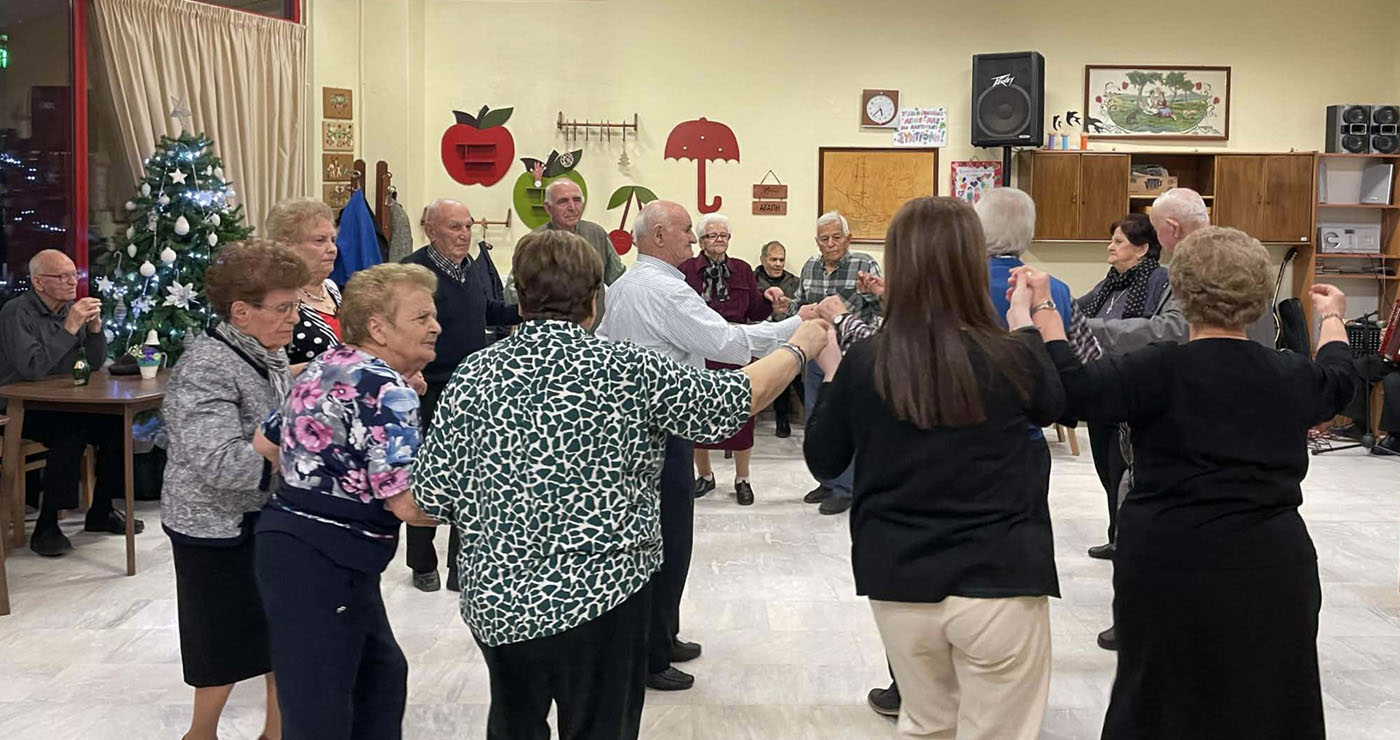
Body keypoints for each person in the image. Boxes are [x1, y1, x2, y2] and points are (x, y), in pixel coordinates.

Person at [412, 228, 828, 739]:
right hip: (604, 600)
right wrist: (799, 346)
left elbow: (430, 499)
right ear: (594, 301)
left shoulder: (472, 377)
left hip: (501, 604)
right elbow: (731, 403)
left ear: (519, 298)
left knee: (513, 723)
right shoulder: (626, 368)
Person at [1009, 228, 1358, 740]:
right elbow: (1340, 375)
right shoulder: (1290, 374)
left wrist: (1042, 311)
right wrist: (1331, 314)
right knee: (1274, 697)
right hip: (1272, 560)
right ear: (1259, 297)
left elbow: (1074, 392)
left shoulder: (1156, 368)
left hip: (1166, 553)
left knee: (1158, 692)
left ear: (1184, 292)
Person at [804, 197, 1065, 740]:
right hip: (1001, 577)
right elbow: (1055, 405)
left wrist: (831, 373)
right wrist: (1028, 323)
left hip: (900, 577)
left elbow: (824, 460)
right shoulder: (1011, 354)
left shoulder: (868, 359)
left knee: (926, 724)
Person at [596, 199, 805, 692]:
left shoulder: (626, 285)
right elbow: (729, 343)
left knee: (656, 541)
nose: (693, 241)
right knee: (669, 542)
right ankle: (652, 654)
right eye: (688, 231)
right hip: (664, 431)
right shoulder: (666, 292)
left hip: (633, 429)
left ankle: (661, 635)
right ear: (660, 235)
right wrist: (799, 327)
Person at [252, 263, 444, 740]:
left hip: (295, 545)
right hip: (323, 558)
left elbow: (266, 441)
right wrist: (492, 510)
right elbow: (407, 503)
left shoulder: (328, 364)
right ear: (378, 326)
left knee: (380, 677)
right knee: (323, 711)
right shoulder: (387, 388)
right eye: (421, 318)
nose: (436, 326)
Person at [161, 239, 306, 740]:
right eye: (284, 307)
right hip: (215, 529)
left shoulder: (265, 350)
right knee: (219, 650)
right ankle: (200, 735)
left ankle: (277, 732)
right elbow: (221, 463)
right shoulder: (206, 366)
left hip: (263, 519)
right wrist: (294, 456)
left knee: (279, 636)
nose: (294, 317)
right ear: (241, 312)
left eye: (297, 304)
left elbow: (272, 410)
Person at [400, 198, 520, 592]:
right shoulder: (413, 272)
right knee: (429, 476)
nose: (464, 234)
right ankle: (422, 562)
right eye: (454, 227)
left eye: (467, 226)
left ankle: (461, 565)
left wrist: (524, 311)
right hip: (429, 388)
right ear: (430, 229)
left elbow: (484, 310)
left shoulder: (473, 268)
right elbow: (402, 328)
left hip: (471, 388)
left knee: (469, 478)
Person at [0, 249, 142, 556]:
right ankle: (47, 525)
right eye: (62, 276)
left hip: (60, 401)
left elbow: (94, 362)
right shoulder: (16, 312)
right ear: (39, 282)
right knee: (70, 433)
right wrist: (69, 328)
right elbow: (32, 369)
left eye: (73, 275)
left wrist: (94, 328)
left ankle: (101, 510)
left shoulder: (67, 310)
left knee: (117, 422)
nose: (71, 283)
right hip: (18, 404)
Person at [766, 211, 882, 515]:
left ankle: (847, 488)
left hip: (851, 355)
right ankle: (828, 480)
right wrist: (784, 307)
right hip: (815, 355)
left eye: (836, 237)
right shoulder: (809, 266)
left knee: (848, 423)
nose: (830, 244)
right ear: (816, 240)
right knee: (819, 420)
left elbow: (881, 305)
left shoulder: (864, 264)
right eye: (823, 238)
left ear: (848, 238)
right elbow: (800, 305)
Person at [1077, 213, 1168, 560]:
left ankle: (1124, 537)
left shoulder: (1159, 280)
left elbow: (1148, 329)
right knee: (1105, 465)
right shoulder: (1111, 282)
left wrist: (1093, 328)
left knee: (1123, 467)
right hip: (1104, 383)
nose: (1110, 247)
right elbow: (1078, 310)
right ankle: (1116, 532)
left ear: (1143, 248)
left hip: (1133, 385)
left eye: (1118, 242)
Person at [680, 214, 772, 505]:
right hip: (700, 352)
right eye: (711, 236)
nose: (718, 240)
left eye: (723, 235)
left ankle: (742, 479)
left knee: (742, 416)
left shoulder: (743, 270)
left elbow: (755, 311)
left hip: (735, 352)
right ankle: (705, 476)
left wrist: (770, 300)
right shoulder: (685, 271)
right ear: (701, 241)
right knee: (698, 415)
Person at [535, 178, 626, 326]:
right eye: (563, 201)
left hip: (595, 334)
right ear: (548, 208)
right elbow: (514, 291)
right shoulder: (535, 242)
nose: (572, 207)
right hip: (553, 336)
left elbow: (619, 280)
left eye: (577, 200)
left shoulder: (597, 234)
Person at [266, 197, 343, 364]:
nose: (332, 249)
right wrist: (329, 368)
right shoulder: (272, 299)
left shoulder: (332, 289)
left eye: (333, 240)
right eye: (319, 240)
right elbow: (264, 375)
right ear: (286, 246)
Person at [754, 240, 803, 438]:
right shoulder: (752, 280)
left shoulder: (795, 282)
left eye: (781, 260)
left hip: (790, 339)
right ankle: (782, 418)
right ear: (763, 260)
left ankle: (785, 418)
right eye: (773, 259)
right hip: (760, 337)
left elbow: (800, 310)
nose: (778, 264)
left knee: (787, 361)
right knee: (783, 362)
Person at [1339, 357, 1400, 454]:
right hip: (1394, 363)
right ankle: (1360, 425)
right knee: (1360, 366)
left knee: (1393, 380)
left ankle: (1396, 438)